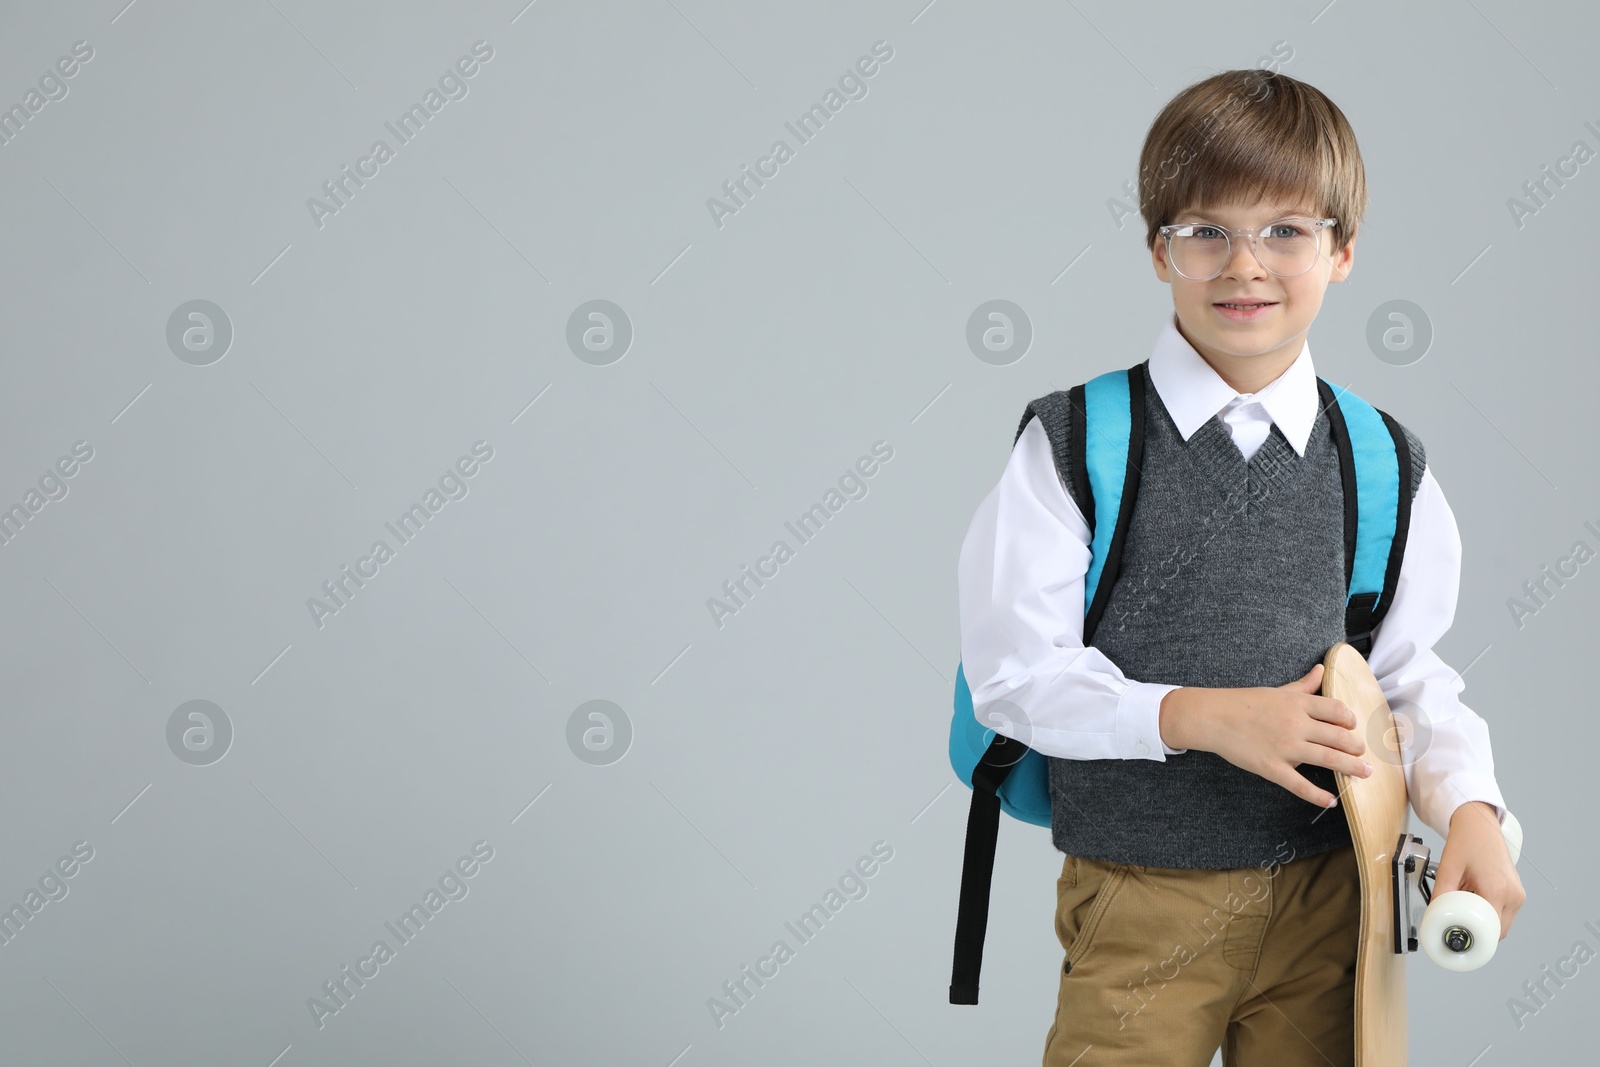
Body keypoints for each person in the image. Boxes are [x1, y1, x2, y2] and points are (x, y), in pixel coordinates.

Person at [955, 68, 1526, 1066]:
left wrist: (1471, 805)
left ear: (1342, 250)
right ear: (1156, 249)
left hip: (1329, 898)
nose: (1243, 265)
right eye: (1204, 230)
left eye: (1286, 231)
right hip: (1140, 896)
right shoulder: (1079, 441)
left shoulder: (1381, 461)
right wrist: (1202, 714)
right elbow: (1014, 677)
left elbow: (1402, 679)